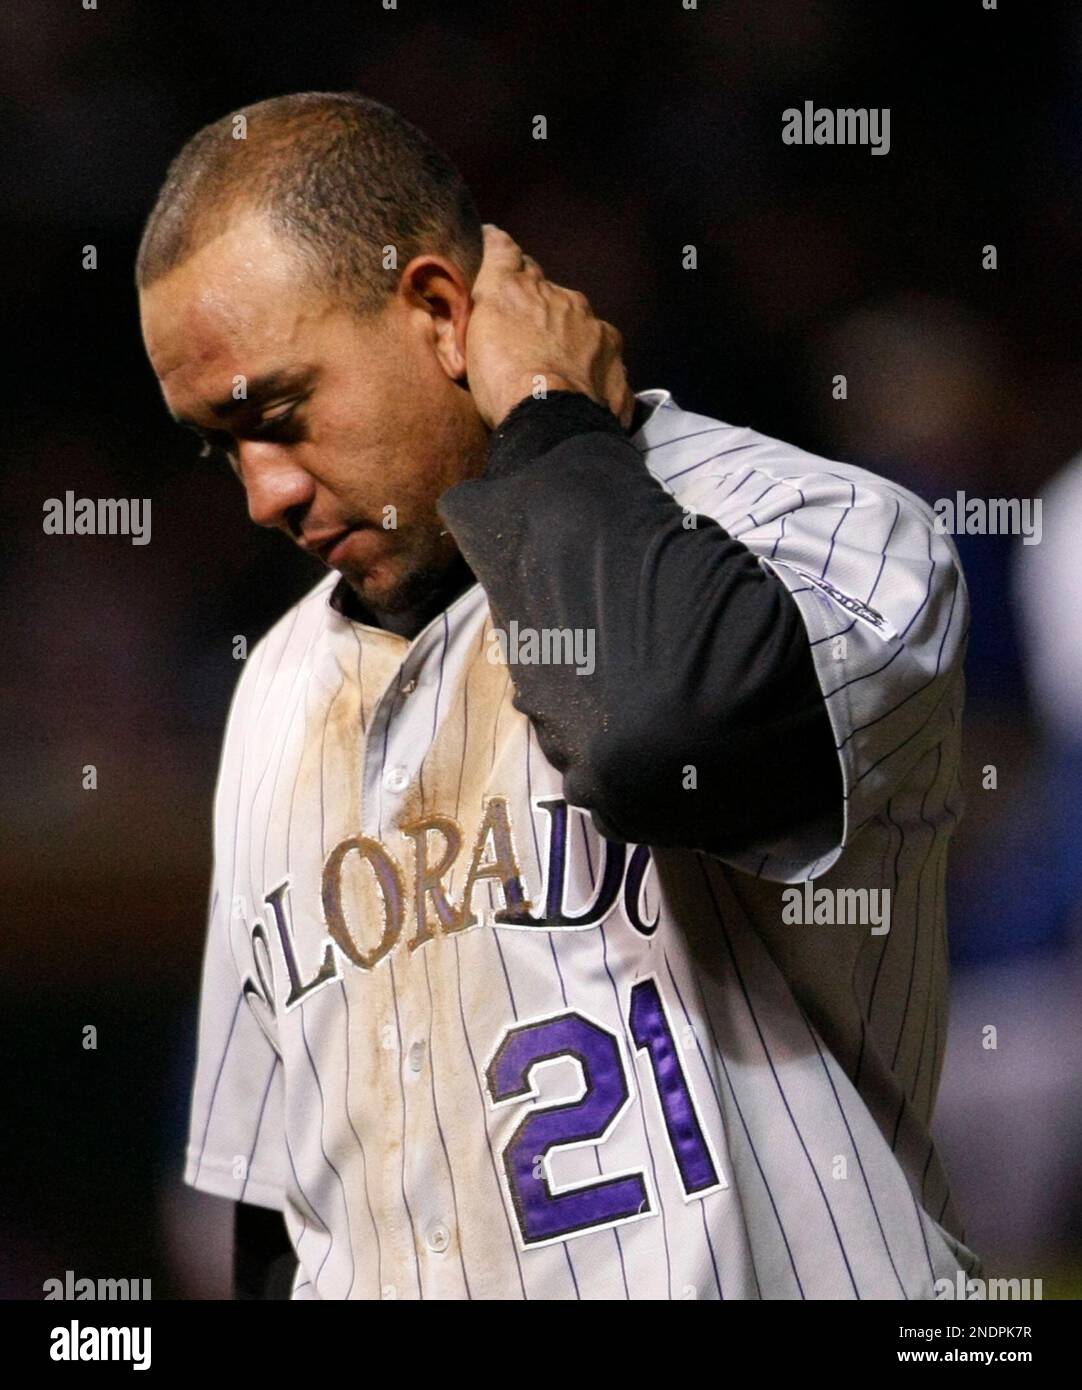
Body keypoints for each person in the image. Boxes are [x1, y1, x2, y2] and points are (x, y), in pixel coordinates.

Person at [139, 91, 977, 1299]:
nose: (260, 491)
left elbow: (659, 734)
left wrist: (541, 416)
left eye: (274, 414)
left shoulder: (819, 525)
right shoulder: (273, 684)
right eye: (219, 445)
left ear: (438, 312)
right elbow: (283, 1207)